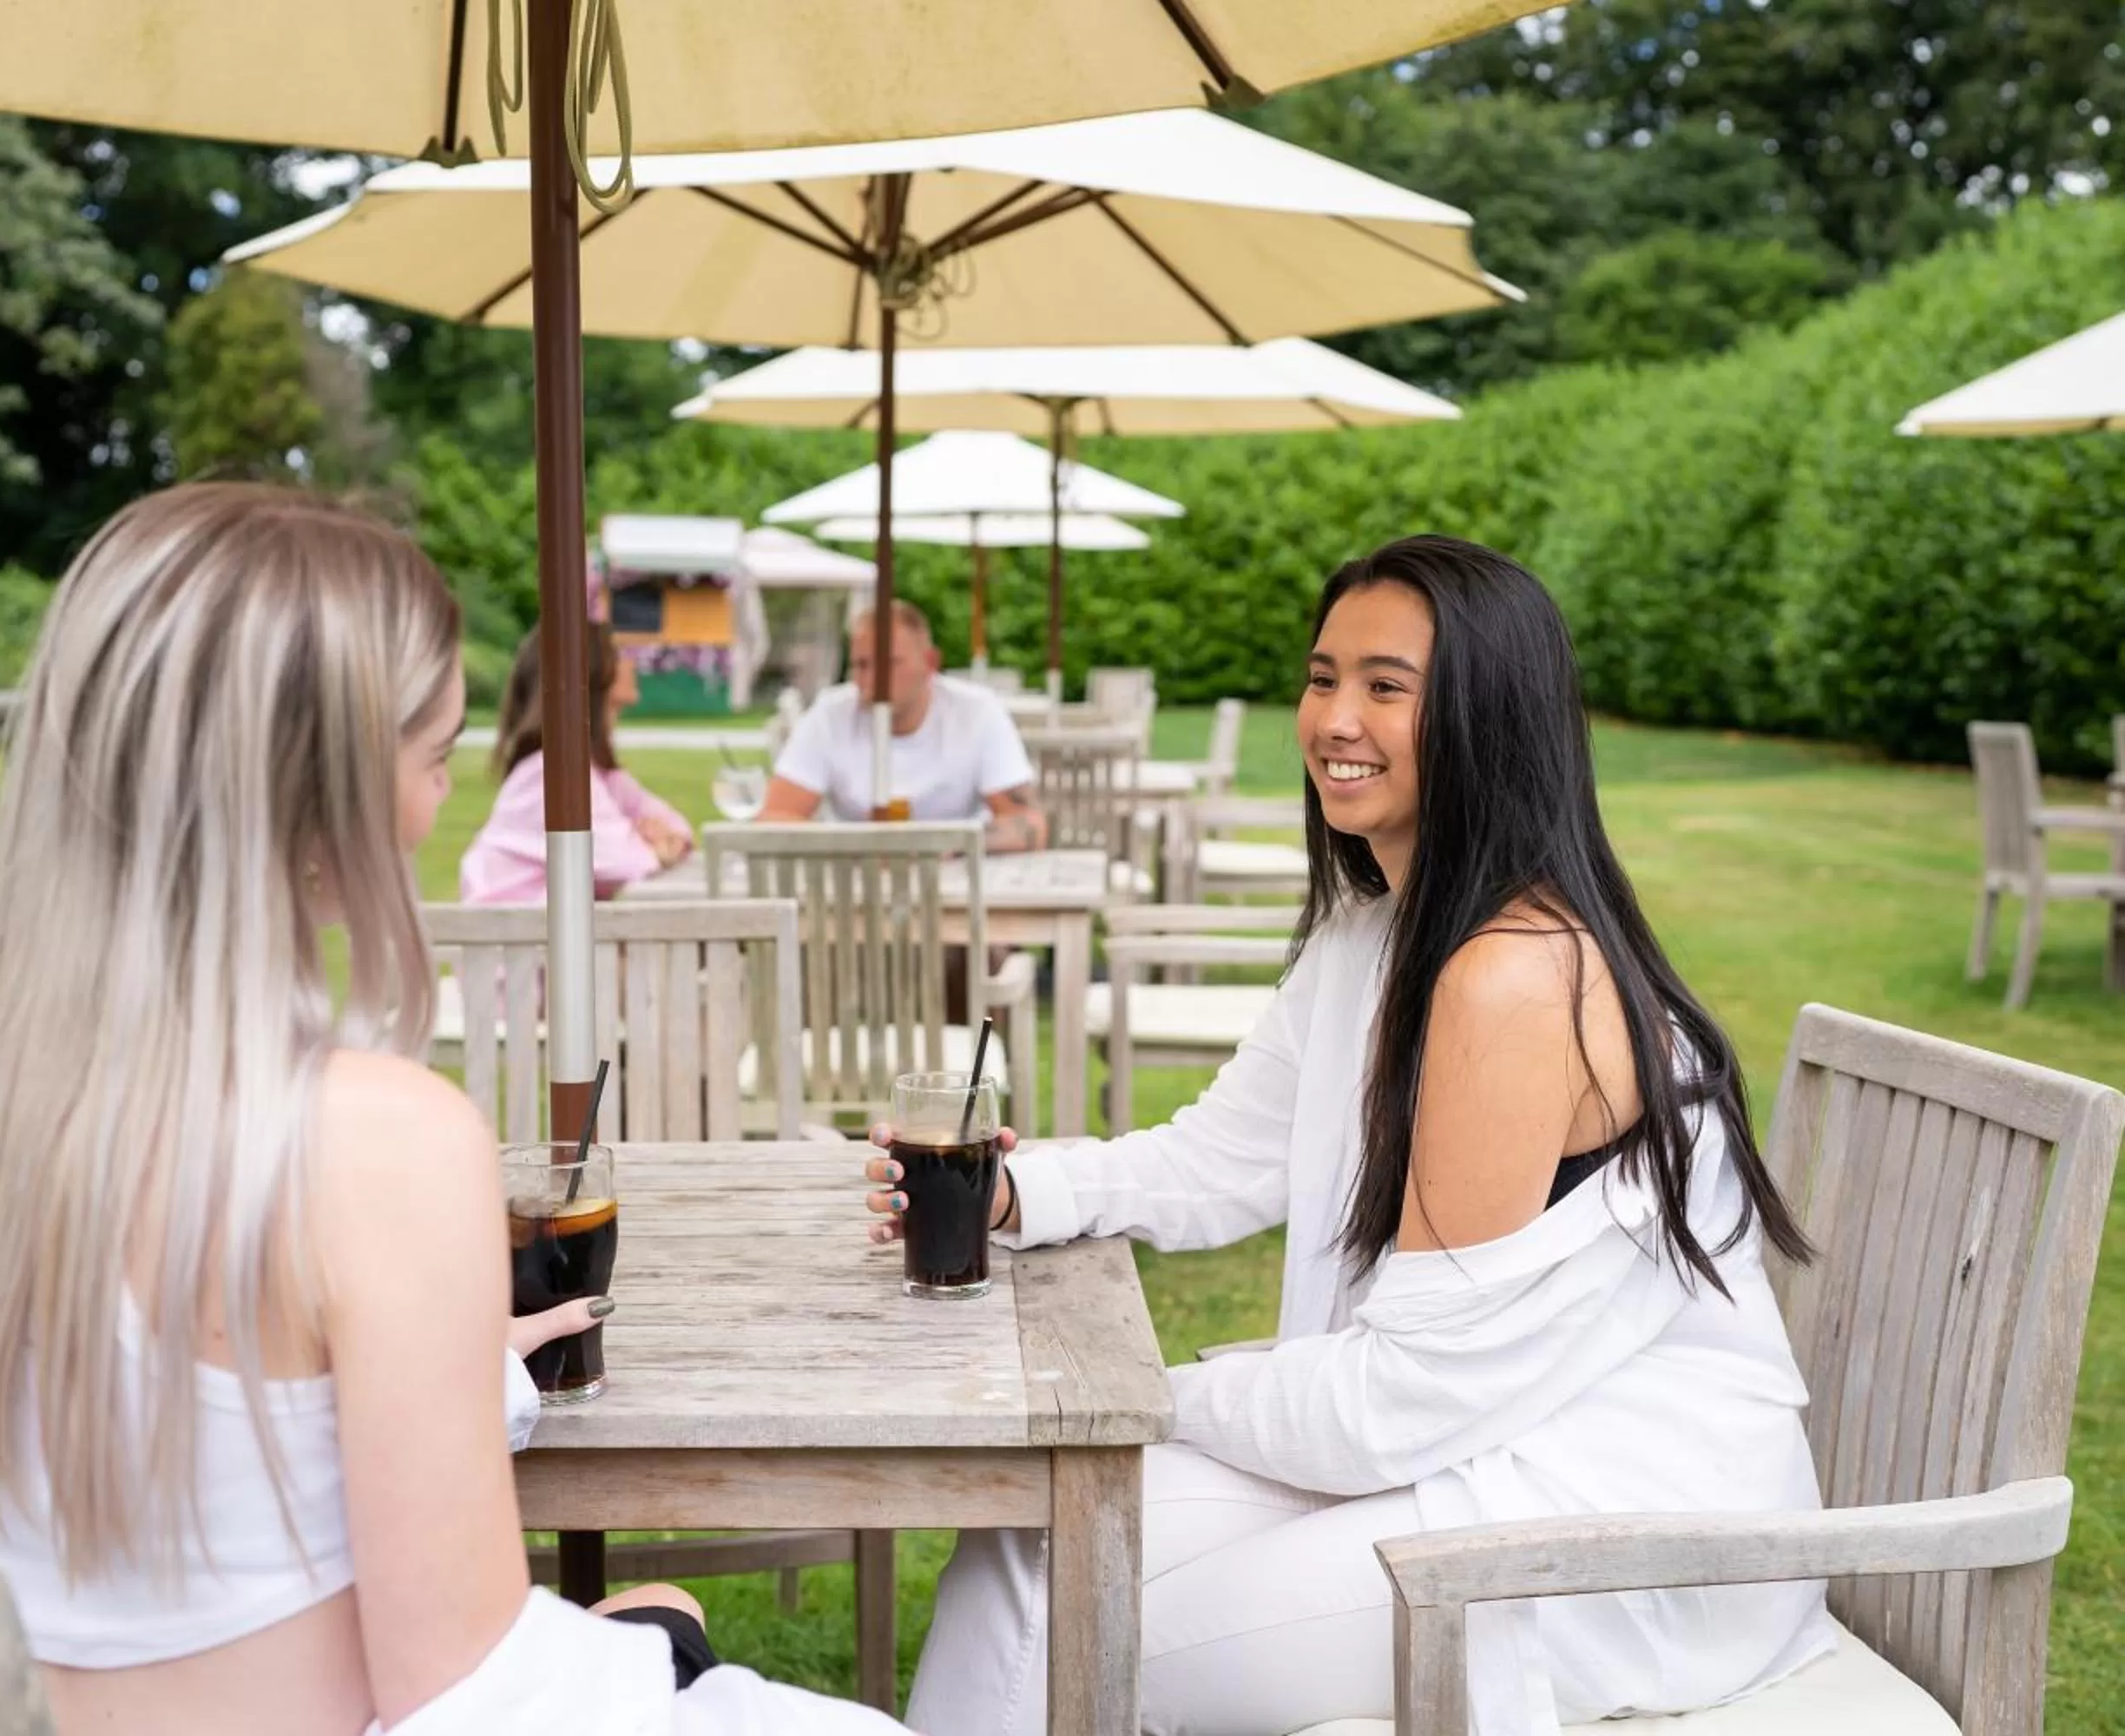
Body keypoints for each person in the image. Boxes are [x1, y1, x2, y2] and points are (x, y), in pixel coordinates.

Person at [0, 483, 901, 1736]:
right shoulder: (371, 1140)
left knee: (656, 1618)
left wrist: (449, 1378)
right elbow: (469, 1700)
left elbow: (211, 1474)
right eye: (433, 756)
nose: (437, 800)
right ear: (322, 801)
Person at [865, 536, 1838, 1736]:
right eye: (1324, 677)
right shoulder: (1373, 934)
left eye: (1387, 686)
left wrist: (1150, 1399)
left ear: (1490, 719)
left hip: (1607, 1528)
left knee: (1088, 1628)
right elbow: (1219, 1156)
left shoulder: (1513, 977)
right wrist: (1019, 1193)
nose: (1335, 717)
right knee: (1030, 1544)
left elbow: (1393, 1408)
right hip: (1468, 1449)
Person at [758, 599, 1048, 854]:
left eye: (889, 663)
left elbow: (1029, 824)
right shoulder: (830, 716)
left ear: (930, 663)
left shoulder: (977, 712)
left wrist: (945, 845)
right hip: (856, 883)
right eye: (861, 665)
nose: (872, 679)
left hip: (955, 881)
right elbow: (773, 818)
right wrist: (859, 846)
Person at [462, 621, 693, 904]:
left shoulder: (600, 774)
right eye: (617, 652)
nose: (631, 662)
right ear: (591, 670)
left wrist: (657, 839)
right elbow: (623, 863)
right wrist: (651, 845)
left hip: (549, 939)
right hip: (512, 941)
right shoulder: (550, 775)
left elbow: (679, 829)